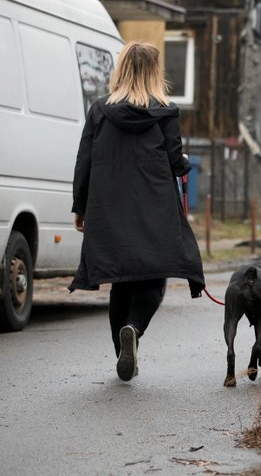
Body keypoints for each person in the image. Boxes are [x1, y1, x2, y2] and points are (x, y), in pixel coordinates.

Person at [69, 41, 205, 382]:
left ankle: (122, 352)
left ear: (122, 69)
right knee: (153, 277)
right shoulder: (166, 111)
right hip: (154, 205)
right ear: (153, 72)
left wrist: (80, 206)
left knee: (121, 280)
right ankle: (134, 328)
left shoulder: (99, 110)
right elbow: (175, 162)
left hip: (109, 207)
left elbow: (84, 159)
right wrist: (184, 162)